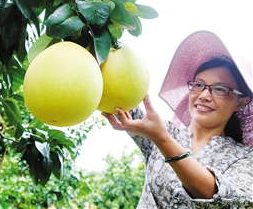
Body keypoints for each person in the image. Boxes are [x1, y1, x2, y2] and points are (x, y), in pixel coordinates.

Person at [102, 30, 253, 208]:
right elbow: (120, 94)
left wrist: (162, 139)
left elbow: (220, 197)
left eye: (219, 89)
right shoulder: (165, 131)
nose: (204, 95)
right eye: (198, 85)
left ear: (241, 102)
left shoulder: (244, 158)